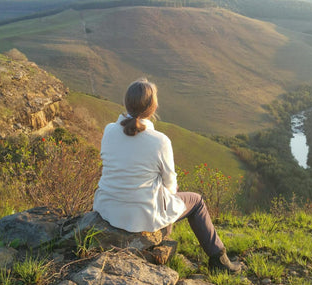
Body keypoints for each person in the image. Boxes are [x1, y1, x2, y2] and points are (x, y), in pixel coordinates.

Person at [93, 78, 241, 273]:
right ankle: (220, 261)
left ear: (126, 103)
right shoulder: (159, 141)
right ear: (153, 107)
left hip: (107, 208)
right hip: (141, 216)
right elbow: (171, 185)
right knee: (196, 202)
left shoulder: (109, 130)